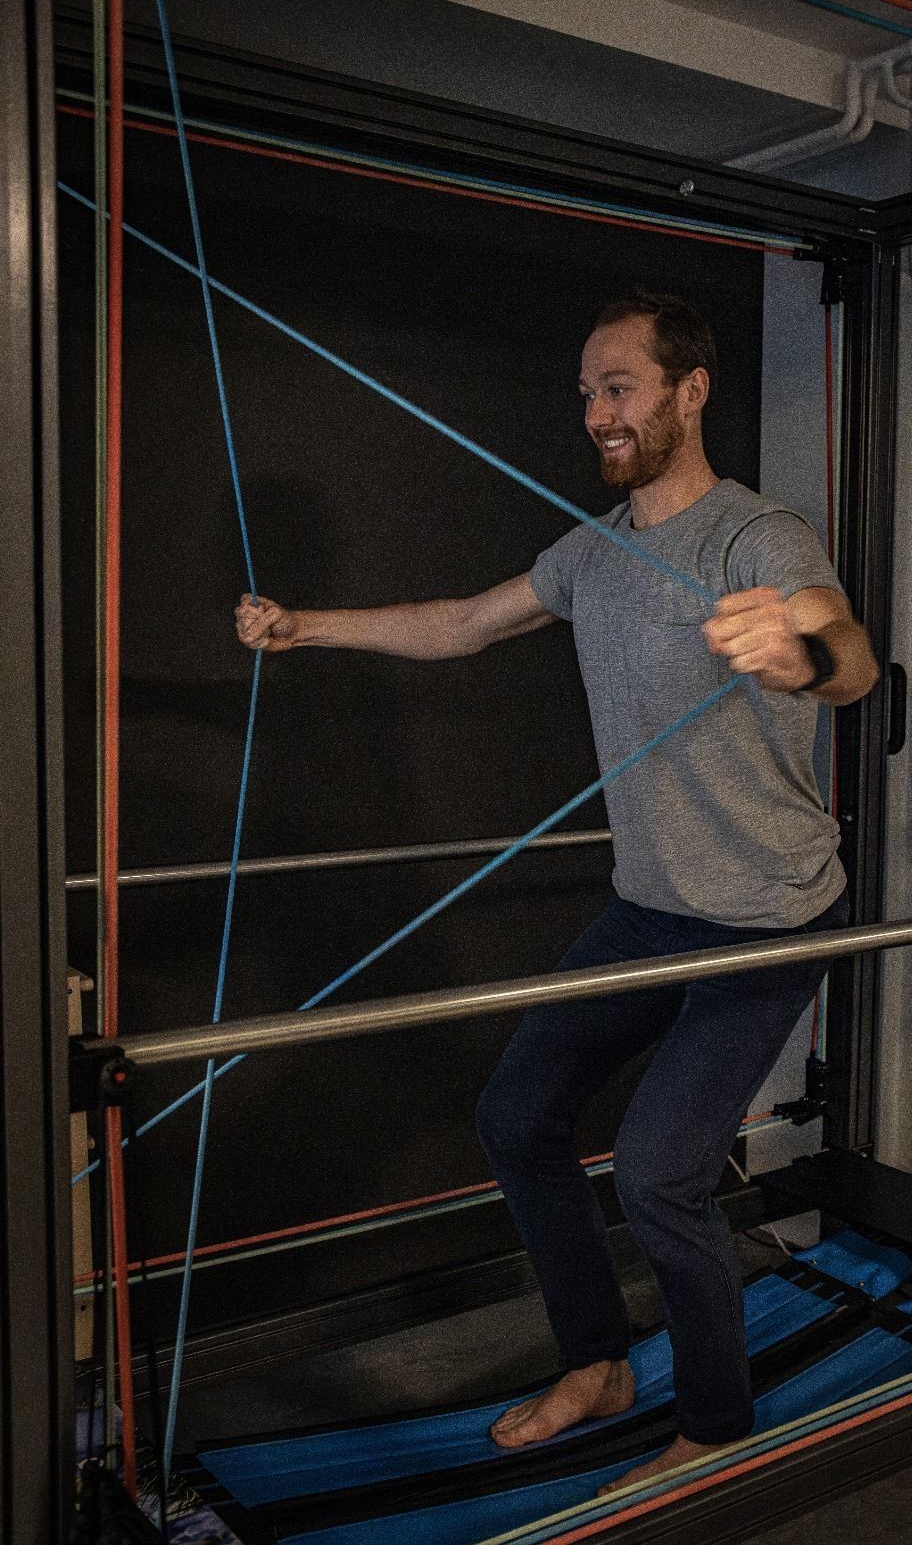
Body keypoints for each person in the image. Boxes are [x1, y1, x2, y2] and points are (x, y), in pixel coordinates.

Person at [235, 292, 878, 1493]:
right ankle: (598, 1361)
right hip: (649, 907)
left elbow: (845, 652)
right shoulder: (589, 554)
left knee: (658, 1173)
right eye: (586, 389)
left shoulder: (756, 538)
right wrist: (302, 627)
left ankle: (715, 1429)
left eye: (619, 385)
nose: (596, 412)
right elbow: (463, 624)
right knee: (515, 1115)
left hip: (765, 923)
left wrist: (797, 654)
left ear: (690, 392)